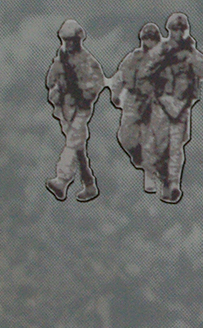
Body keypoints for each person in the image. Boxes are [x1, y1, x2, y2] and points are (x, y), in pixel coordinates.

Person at [143, 14, 203, 202]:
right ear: (169, 30)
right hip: (161, 104)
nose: (178, 33)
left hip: (181, 106)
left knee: (176, 147)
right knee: (159, 145)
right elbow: (145, 72)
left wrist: (192, 58)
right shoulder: (161, 50)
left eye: (181, 29)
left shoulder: (190, 52)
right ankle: (161, 176)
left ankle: (173, 184)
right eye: (175, 29)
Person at [45, 20, 106, 202]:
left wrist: (86, 94)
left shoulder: (86, 60)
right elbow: (50, 80)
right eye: (66, 40)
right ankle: (89, 184)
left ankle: (61, 180)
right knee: (78, 146)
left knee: (73, 142)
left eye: (72, 40)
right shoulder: (60, 60)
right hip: (65, 108)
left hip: (81, 107)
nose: (69, 44)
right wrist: (57, 92)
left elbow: (98, 81)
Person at [108, 23, 163, 179]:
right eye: (146, 38)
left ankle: (156, 169)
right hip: (134, 100)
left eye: (151, 38)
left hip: (155, 101)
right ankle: (139, 157)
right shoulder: (133, 58)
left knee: (154, 137)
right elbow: (120, 76)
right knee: (125, 136)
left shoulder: (163, 59)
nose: (148, 42)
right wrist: (116, 94)